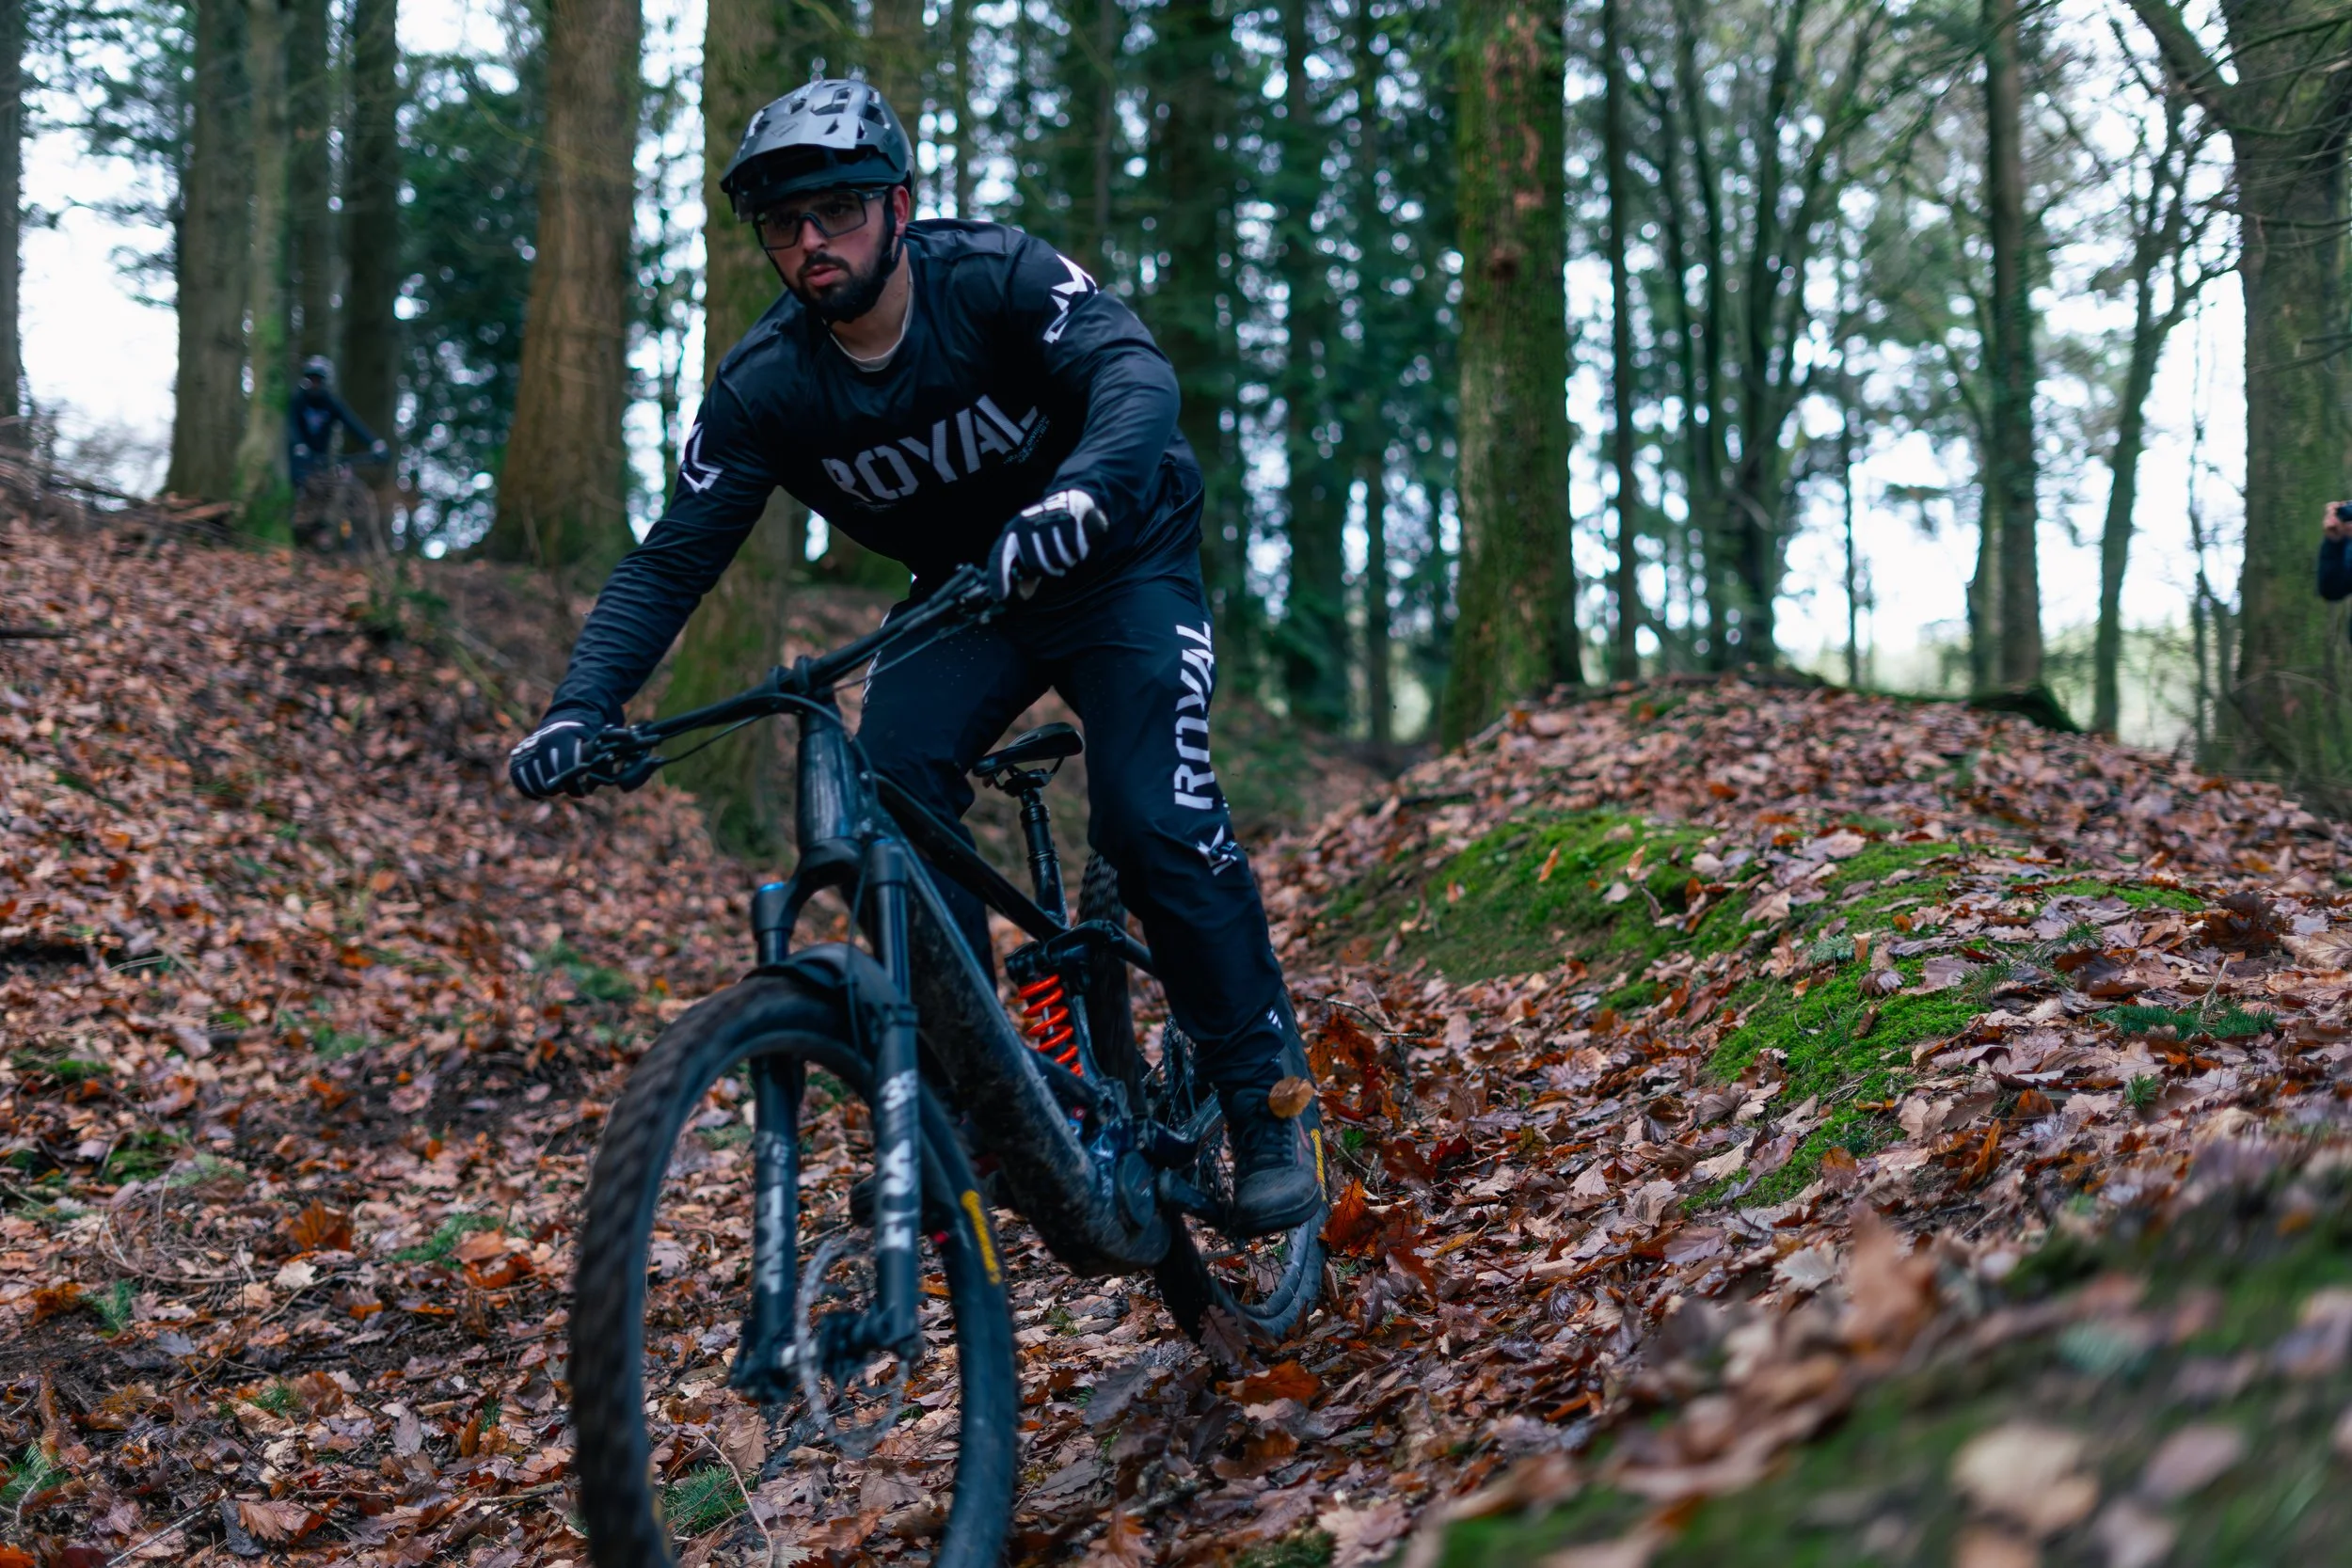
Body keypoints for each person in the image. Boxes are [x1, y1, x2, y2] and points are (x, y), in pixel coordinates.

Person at [505, 78, 1321, 1236]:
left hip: (1118, 555)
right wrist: (580, 705)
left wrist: (1082, 495)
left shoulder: (994, 277)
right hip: (964, 595)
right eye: (782, 223)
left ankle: (1262, 1096)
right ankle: (976, 1108)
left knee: (1152, 820)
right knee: (882, 806)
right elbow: (669, 560)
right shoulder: (769, 384)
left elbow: (1134, 376)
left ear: (896, 205)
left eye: (834, 210)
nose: (808, 242)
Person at [288, 356, 388, 489]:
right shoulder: (298, 400)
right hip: (299, 460)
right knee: (300, 487)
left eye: (318, 380)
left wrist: (374, 443)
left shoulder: (331, 403)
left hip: (321, 459)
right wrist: (298, 444)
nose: (314, 384)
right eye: (312, 380)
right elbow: (292, 425)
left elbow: (352, 424)